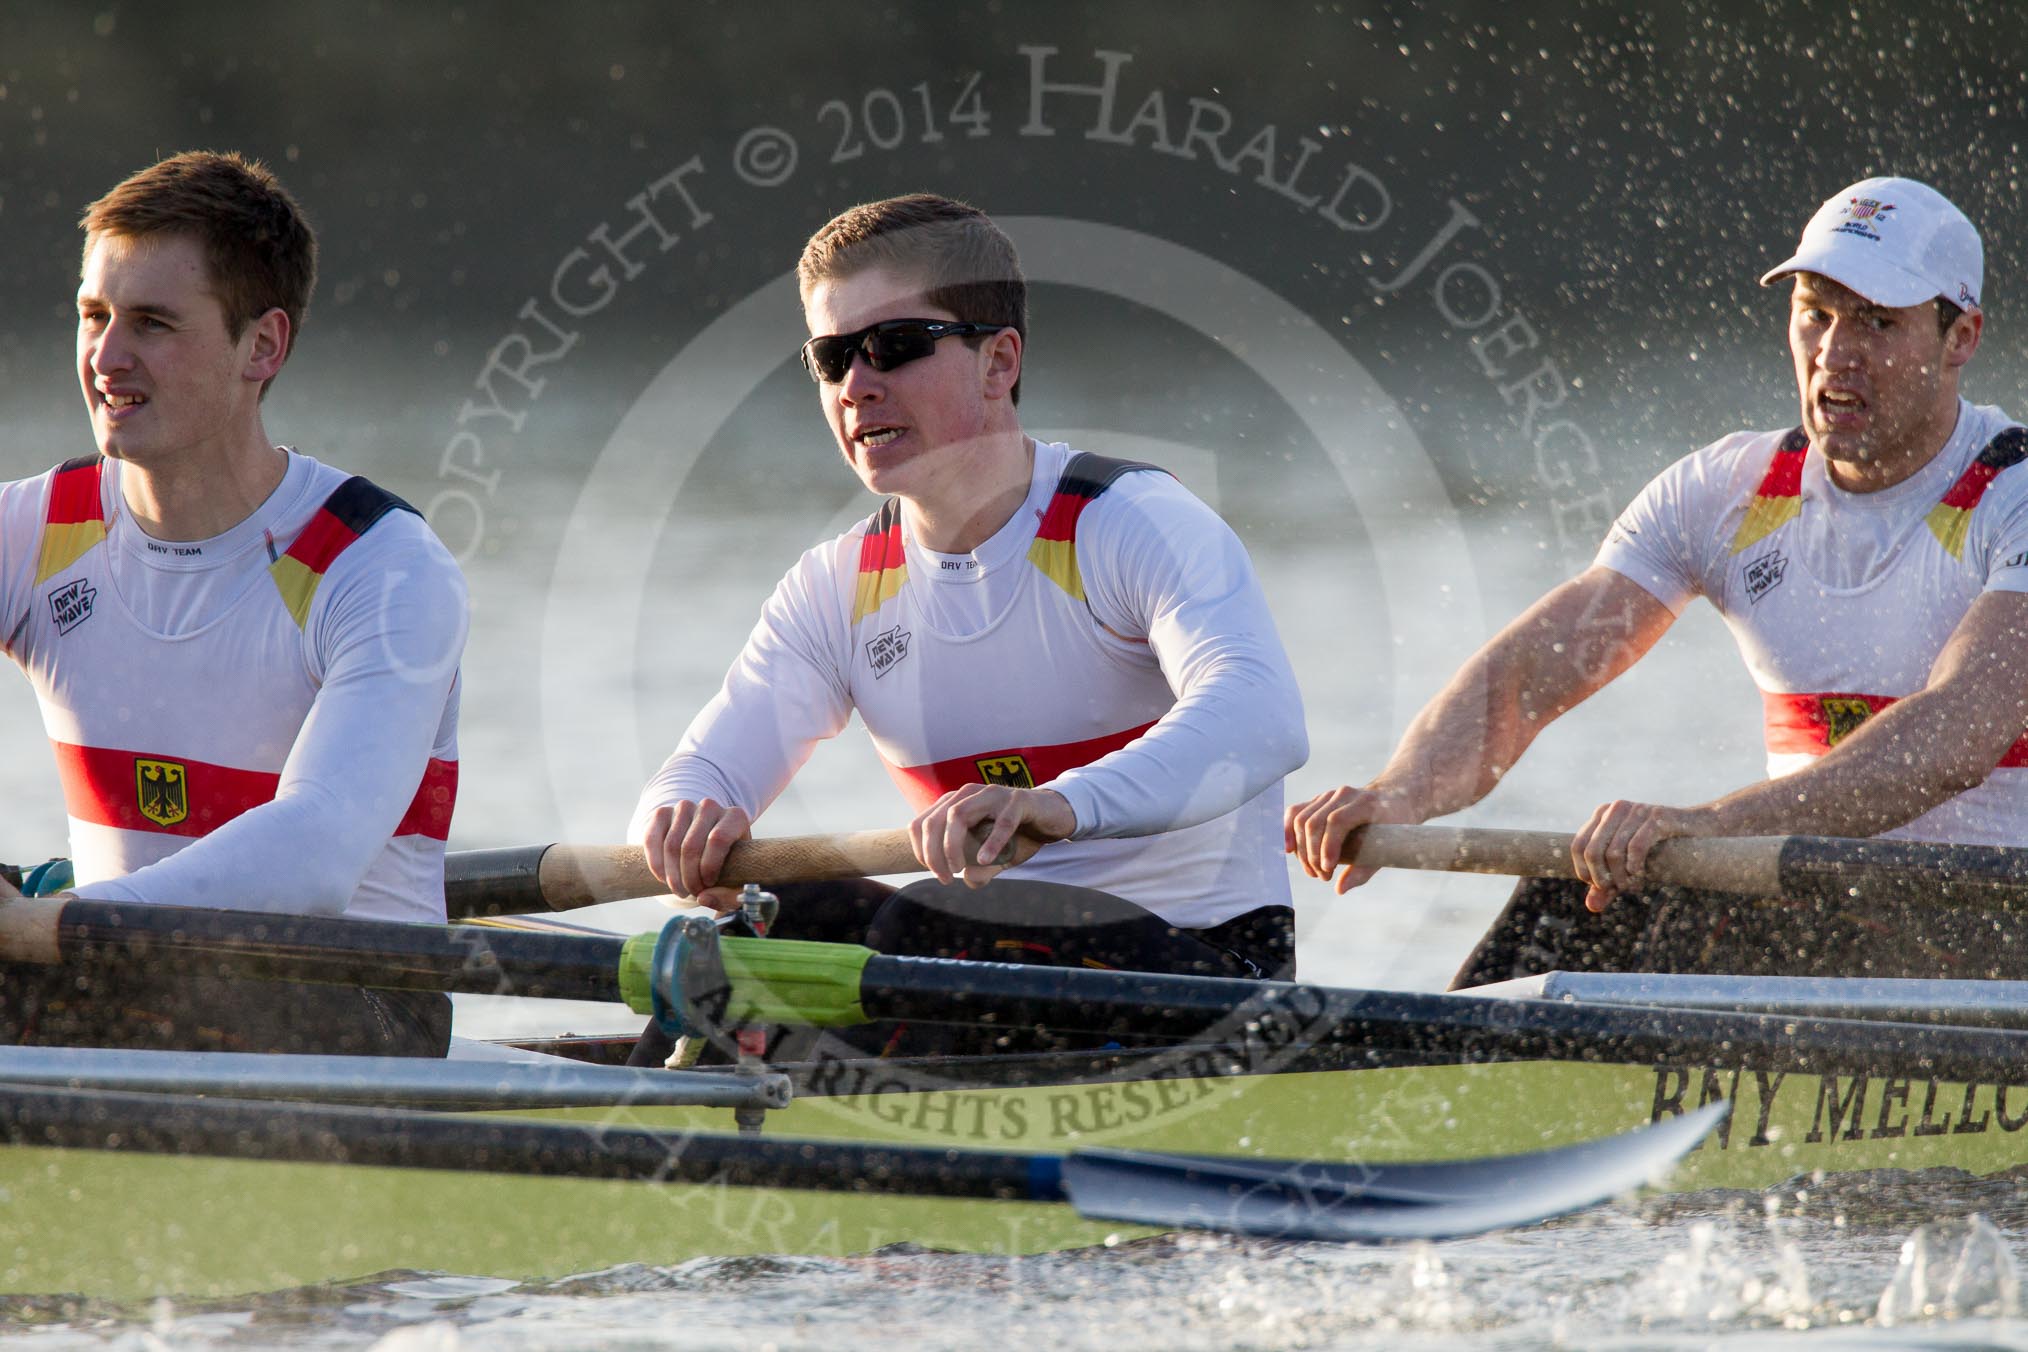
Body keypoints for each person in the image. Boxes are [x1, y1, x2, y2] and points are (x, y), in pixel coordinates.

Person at [1287, 175, 2028, 985]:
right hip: (1821, 911)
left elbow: (1956, 737)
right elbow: (1528, 679)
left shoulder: (2012, 496)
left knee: (1656, 873)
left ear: (1962, 338)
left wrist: (1709, 827)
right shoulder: (1726, 492)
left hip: (1991, 925)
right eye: (1815, 312)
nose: (1833, 351)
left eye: (1878, 322)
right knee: (1574, 903)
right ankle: (1423, 1089)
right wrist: (1400, 795)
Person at [632, 194, 1306, 1057]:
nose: (858, 385)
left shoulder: (1128, 521)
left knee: (944, 918)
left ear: (999, 362)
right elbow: (702, 769)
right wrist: (680, 824)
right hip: (980, 959)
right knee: (758, 935)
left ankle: (805, 1130)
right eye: (831, 358)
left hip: (1204, 971)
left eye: (895, 346)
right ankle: (630, 1154)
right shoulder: (835, 587)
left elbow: (1260, 714)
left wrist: (1060, 807)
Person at [0, 151, 467, 1055]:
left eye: (153, 324)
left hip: (355, 1004)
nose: (106, 357)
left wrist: (58, 925)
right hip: (104, 969)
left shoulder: (381, 569)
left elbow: (315, 851)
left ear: (263, 346)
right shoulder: (34, 530)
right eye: (94, 316)